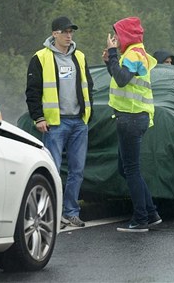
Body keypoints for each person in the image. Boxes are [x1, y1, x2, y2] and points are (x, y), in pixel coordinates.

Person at [25, 16, 93, 228]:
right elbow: (32, 91)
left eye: (71, 31)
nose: (68, 35)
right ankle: (53, 214)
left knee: (77, 170)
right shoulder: (41, 57)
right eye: (64, 32)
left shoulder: (79, 56)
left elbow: (88, 86)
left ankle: (71, 212)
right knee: (52, 170)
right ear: (54, 34)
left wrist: (88, 113)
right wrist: (38, 117)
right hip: (55, 123)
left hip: (78, 122)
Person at [102, 16, 162, 233]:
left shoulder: (132, 54)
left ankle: (140, 219)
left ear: (125, 35)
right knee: (125, 168)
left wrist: (113, 55)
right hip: (135, 117)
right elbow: (120, 76)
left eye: (118, 34)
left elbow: (121, 78)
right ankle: (151, 213)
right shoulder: (137, 53)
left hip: (131, 117)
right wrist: (110, 61)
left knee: (131, 170)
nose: (115, 38)